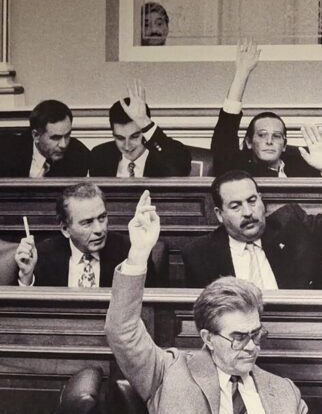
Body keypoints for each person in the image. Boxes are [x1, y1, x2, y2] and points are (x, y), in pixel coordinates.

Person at [104, 191, 322, 414]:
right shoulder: (167, 372)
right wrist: (138, 255)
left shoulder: (283, 390)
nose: (252, 346)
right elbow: (121, 332)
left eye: (256, 334)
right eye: (239, 338)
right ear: (207, 337)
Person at [182, 125, 322, 289]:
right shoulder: (200, 254)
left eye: (252, 200)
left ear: (261, 200)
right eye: (235, 206)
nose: (248, 212)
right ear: (219, 214)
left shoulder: (294, 228)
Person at [210, 39, 320, 178]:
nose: (269, 141)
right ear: (249, 142)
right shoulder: (238, 169)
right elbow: (224, 134)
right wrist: (242, 73)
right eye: (262, 135)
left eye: (277, 136)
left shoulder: (303, 168)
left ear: (284, 146)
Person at [13, 182, 146, 287]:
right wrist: (26, 277)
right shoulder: (43, 255)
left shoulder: (129, 250)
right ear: (65, 229)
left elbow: (151, 307)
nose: (99, 229)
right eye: (87, 222)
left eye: (102, 217)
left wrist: (138, 255)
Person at [88, 80, 192, 177]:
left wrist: (145, 122)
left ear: (145, 132)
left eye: (134, 137)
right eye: (120, 138)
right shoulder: (100, 156)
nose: (127, 146)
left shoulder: (165, 157)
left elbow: (180, 168)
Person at [0, 99, 89, 178]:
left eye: (67, 135)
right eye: (55, 138)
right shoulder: (7, 152)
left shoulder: (79, 154)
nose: (63, 145)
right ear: (36, 135)